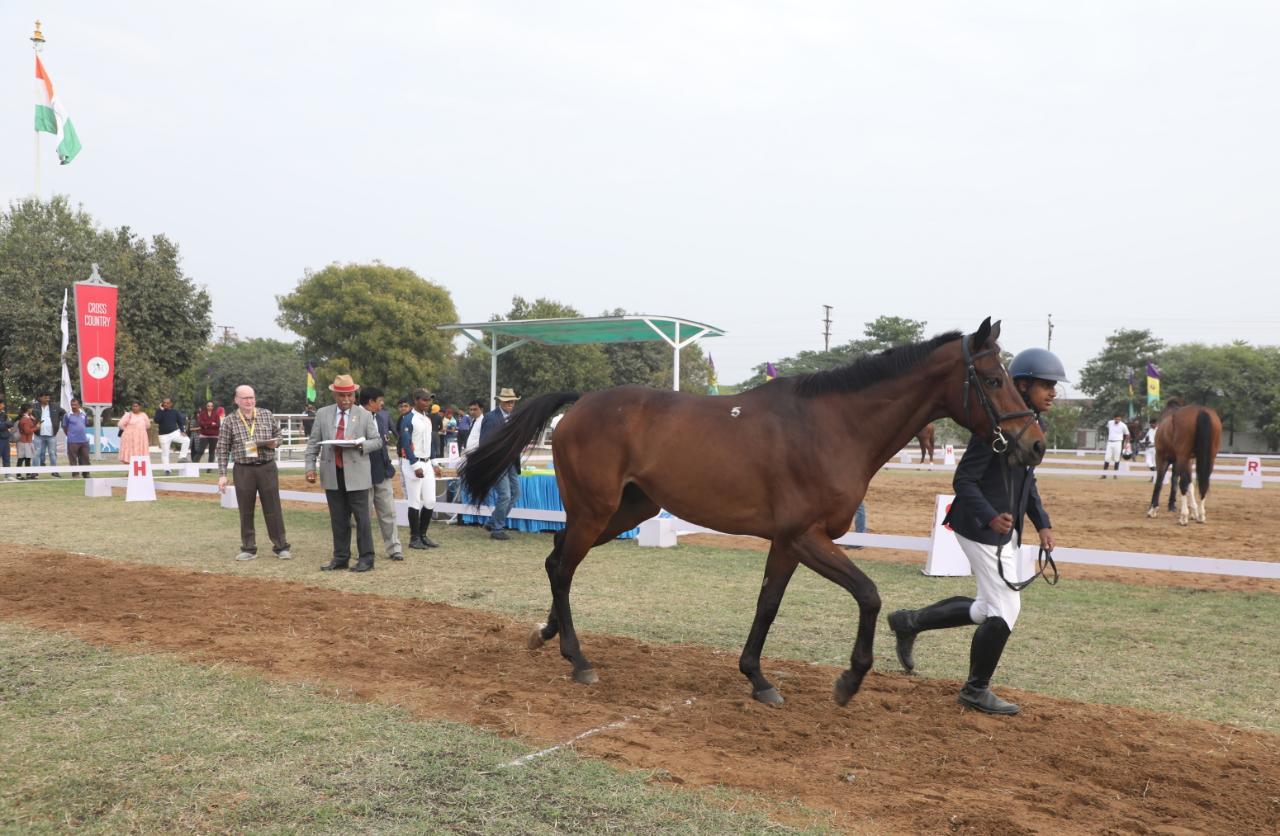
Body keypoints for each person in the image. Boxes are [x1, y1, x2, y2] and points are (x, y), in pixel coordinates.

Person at [886, 347, 1066, 716]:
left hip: (1004, 529)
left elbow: (1026, 483)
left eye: (1054, 386)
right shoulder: (995, 426)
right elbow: (963, 479)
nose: (1053, 392)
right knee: (1005, 607)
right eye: (1046, 385)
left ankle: (909, 622)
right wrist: (988, 517)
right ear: (1022, 385)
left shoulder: (1034, 427)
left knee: (987, 607)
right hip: (979, 526)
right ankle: (975, 689)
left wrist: (1042, 523)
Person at [306, 374, 382, 572]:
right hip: (333, 473)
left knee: (362, 519)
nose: (346, 400)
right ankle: (340, 558)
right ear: (334, 395)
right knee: (338, 519)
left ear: (354, 394)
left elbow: (378, 441)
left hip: (357, 474)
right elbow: (313, 442)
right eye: (342, 396)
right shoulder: (322, 414)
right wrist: (310, 468)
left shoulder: (364, 415)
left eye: (350, 395)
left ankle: (366, 558)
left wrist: (360, 445)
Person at [216, 385, 292, 561]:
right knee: (246, 509)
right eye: (245, 398)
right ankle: (249, 548)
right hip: (243, 469)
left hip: (267, 467)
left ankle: (281, 546)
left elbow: (278, 435)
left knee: (273, 507)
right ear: (236, 400)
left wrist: (276, 443)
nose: (249, 401)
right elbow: (222, 449)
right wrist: (222, 474)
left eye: (251, 397)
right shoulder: (230, 420)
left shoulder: (266, 414)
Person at [360, 387, 404, 561]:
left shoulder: (382, 416)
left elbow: (385, 441)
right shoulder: (355, 417)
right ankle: (364, 549)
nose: (382, 404)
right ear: (371, 402)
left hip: (382, 470)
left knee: (389, 512)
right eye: (380, 400)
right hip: (362, 472)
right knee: (363, 515)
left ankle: (394, 548)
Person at [479, 388, 522, 540]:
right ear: (500, 402)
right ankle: (497, 528)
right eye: (507, 401)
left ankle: (492, 522)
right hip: (497, 462)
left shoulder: (514, 417)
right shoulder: (491, 418)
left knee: (515, 493)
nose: (511, 403)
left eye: (513, 401)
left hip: (511, 461)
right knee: (505, 495)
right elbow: (484, 442)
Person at [401, 388, 441, 549]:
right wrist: (415, 465)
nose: (427, 403)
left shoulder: (427, 419)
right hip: (413, 463)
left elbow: (430, 443)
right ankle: (414, 537)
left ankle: (423, 534)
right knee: (415, 500)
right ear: (416, 400)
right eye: (424, 400)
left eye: (429, 400)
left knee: (430, 500)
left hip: (426, 462)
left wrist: (435, 462)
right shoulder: (408, 418)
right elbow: (406, 443)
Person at [155, 398, 190, 473]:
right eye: (164, 403)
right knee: (165, 453)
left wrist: (182, 431)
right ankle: (167, 469)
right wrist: (161, 410)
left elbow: (180, 422)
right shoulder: (159, 411)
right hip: (163, 435)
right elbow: (156, 420)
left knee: (186, 440)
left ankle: (182, 457)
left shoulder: (175, 412)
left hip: (174, 433)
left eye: (167, 403)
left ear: (171, 404)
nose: (165, 404)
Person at [34, 393, 65, 477]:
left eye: (48, 397)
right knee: (37, 453)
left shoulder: (55, 406)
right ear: (40, 398)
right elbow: (28, 414)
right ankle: (34, 472)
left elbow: (64, 413)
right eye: (45, 397)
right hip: (38, 434)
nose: (48, 399)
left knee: (52, 453)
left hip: (51, 435)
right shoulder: (34, 407)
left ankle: (54, 471)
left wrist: (59, 420)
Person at [61, 398, 91, 477]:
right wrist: (70, 435)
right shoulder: (67, 415)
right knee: (73, 458)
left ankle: (86, 473)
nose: (73, 406)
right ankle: (75, 474)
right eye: (72, 405)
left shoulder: (84, 414)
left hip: (83, 440)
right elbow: (64, 427)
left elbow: (85, 424)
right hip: (72, 441)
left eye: (75, 404)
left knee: (85, 457)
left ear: (79, 405)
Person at [1101, 414, 1129, 479]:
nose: (1117, 420)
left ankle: (1115, 474)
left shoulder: (1123, 425)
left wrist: (1126, 443)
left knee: (1116, 458)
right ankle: (1104, 474)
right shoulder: (1110, 423)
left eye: (1119, 419)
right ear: (1114, 418)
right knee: (1107, 458)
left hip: (1118, 442)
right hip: (1110, 442)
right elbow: (1108, 429)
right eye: (1116, 419)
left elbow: (1127, 434)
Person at [16, 405, 37, 479]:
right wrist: (36, 427)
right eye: (31, 408)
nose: (32, 409)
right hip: (24, 441)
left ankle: (27, 474)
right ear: (28, 409)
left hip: (27, 441)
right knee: (22, 458)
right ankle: (19, 475)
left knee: (27, 458)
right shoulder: (25, 419)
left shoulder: (28, 417)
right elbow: (27, 431)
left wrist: (33, 420)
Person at [0, 397, 12, 480]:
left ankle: (8, 475)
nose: (4, 405)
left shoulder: (4, 414)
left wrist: (6, 424)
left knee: (6, 457)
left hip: (5, 439)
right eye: (2, 404)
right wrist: (6, 424)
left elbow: (11, 423)